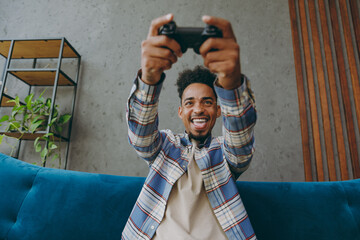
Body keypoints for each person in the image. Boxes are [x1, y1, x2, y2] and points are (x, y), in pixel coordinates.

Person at [122, 14, 257, 240]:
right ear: (180, 112)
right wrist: (149, 79)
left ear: (218, 110)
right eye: (189, 103)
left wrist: (232, 83)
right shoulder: (164, 146)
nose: (198, 109)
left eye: (207, 102)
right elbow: (140, 138)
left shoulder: (225, 153)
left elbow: (241, 139)